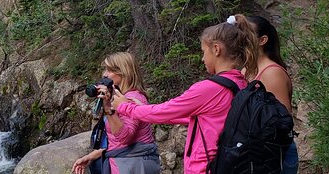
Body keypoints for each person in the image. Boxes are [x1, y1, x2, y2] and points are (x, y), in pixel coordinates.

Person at [111, 18, 259, 174]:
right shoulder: (241, 82)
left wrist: (124, 107)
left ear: (216, 49)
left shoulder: (209, 89)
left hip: (205, 167)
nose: (202, 59)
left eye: (203, 51)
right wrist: (142, 108)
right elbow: (202, 119)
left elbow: (164, 111)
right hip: (228, 164)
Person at [72, 52, 160, 174]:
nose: (104, 74)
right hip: (128, 162)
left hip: (131, 165)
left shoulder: (132, 99)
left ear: (123, 72)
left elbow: (125, 138)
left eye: (109, 70)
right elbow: (116, 142)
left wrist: (108, 109)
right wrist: (91, 156)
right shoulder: (121, 97)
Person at [237, 14, 298, 174]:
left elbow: (281, 124)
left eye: (246, 35)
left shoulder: (272, 73)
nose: (240, 39)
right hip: (256, 153)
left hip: (275, 156)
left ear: (262, 40)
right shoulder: (245, 70)